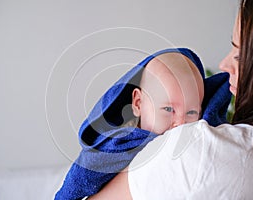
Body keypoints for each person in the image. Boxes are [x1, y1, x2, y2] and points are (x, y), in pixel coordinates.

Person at [87, 0, 253, 199]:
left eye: (240, 56)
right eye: (168, 109)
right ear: (138, 103)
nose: (224, 65)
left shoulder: (196, 147)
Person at [55, 48, 231, 200]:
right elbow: (78, 180)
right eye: (168, 110)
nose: (180, 123)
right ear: (138, 104)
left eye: (191, 112)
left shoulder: (199, 138)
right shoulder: (117, 145)